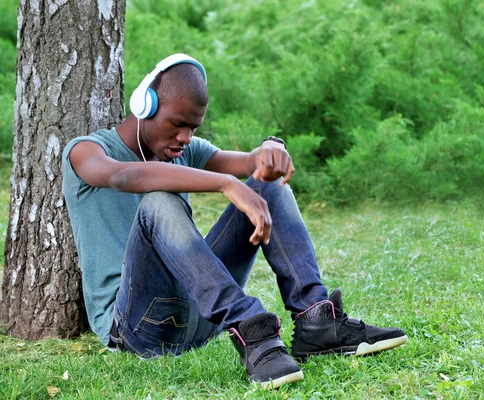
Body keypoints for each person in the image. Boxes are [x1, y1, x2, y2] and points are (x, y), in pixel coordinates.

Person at [62, 54, 407, 389]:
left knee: (265, 185)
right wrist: (226, 184)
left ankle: (317, 321)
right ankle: (251, 328)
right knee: (157, 202)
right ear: (145, 105)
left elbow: (252, 164)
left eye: (193, 127)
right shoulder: (86, 152)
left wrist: (270, 151)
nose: (185, 137)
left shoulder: (186, 151)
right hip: (138, 327)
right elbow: (124, 177)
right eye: (177, 124)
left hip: (202, 315)